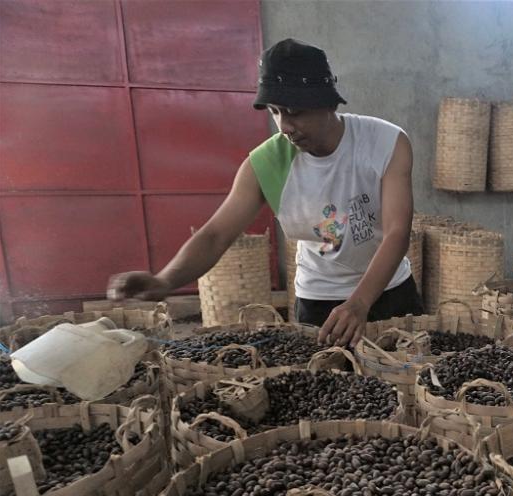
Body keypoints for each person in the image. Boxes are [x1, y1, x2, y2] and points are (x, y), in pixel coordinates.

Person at [107, 38, 423, 346]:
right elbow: (216, 235)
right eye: (275, 111)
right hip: (320, 301)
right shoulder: (265, 166)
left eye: (294, 111)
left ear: (327, 102)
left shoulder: (385, 143)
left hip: (389, 291)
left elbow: (397, 232)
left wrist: (359, 302)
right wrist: (165, 280)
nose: (284, 126)